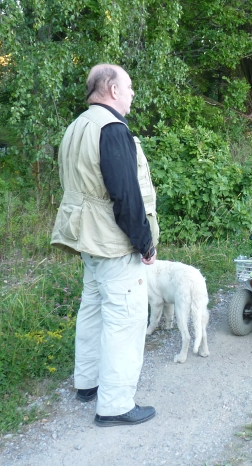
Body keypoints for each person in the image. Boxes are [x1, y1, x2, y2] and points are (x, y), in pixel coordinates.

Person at [51, 63, 159, 426]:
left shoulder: (77, 125)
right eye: (128, 87)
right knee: (125, 319)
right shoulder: (112, 128)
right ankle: (115, 405)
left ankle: (87, 383)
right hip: (112, 242)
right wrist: (144, 242)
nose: (132, 93)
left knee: (93, 309)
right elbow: (125, 194)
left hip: (85, 237)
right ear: (112, 90)